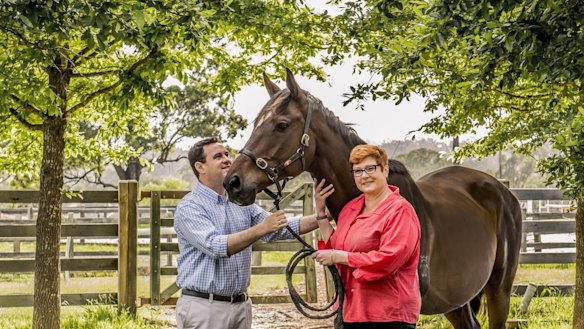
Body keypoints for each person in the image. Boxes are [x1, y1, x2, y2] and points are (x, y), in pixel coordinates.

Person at [174, 137, 319, 329]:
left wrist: (325, 216)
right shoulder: (190, 206)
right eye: (218, 156)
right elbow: (215, 246)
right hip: (205, 308)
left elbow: (280, 229)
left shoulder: (239, 201)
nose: (227, 159)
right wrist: (262, 228)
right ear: (200, 167)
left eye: (227, 154)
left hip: (241, 306)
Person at [311, 144, 421, 329]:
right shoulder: (351, 208)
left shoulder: (400, 211)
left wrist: (340, 257)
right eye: (357, 171)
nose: (364, 176)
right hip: (351, 311)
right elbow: (336, 246)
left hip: (388, 316)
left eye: (370, 168)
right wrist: (321, 214)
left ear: (385, 170)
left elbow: (389, 260)